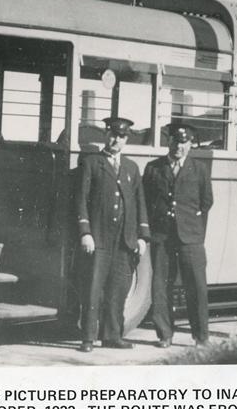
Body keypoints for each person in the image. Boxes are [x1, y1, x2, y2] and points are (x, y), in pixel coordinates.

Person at [76, 117, 150, 353]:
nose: (116, 139)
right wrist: (85, 232)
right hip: (99, 238)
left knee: (118, 290)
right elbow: (81, 200)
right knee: (93, 289)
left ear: (126, 139)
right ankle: (88, 338)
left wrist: (142, 237)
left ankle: (112, 335)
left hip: (124, 241)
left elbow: (140, 204)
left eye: (121, 136)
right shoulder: (92, 163)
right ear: (106, 135)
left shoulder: (131, 168)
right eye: (112, 135)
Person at [144, 122, 213, 348]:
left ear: (191, 144)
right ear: (168, 142)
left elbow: (206, 201)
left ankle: (201, 336)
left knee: (196, 286)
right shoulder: (153, 168)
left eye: (184, 142)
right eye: (175, 141)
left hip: (190, 238)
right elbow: (146, 200)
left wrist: (193, 227)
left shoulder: (200, 169)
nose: (178, 147)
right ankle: (165, 334)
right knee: (161, 286)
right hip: (162, 237)